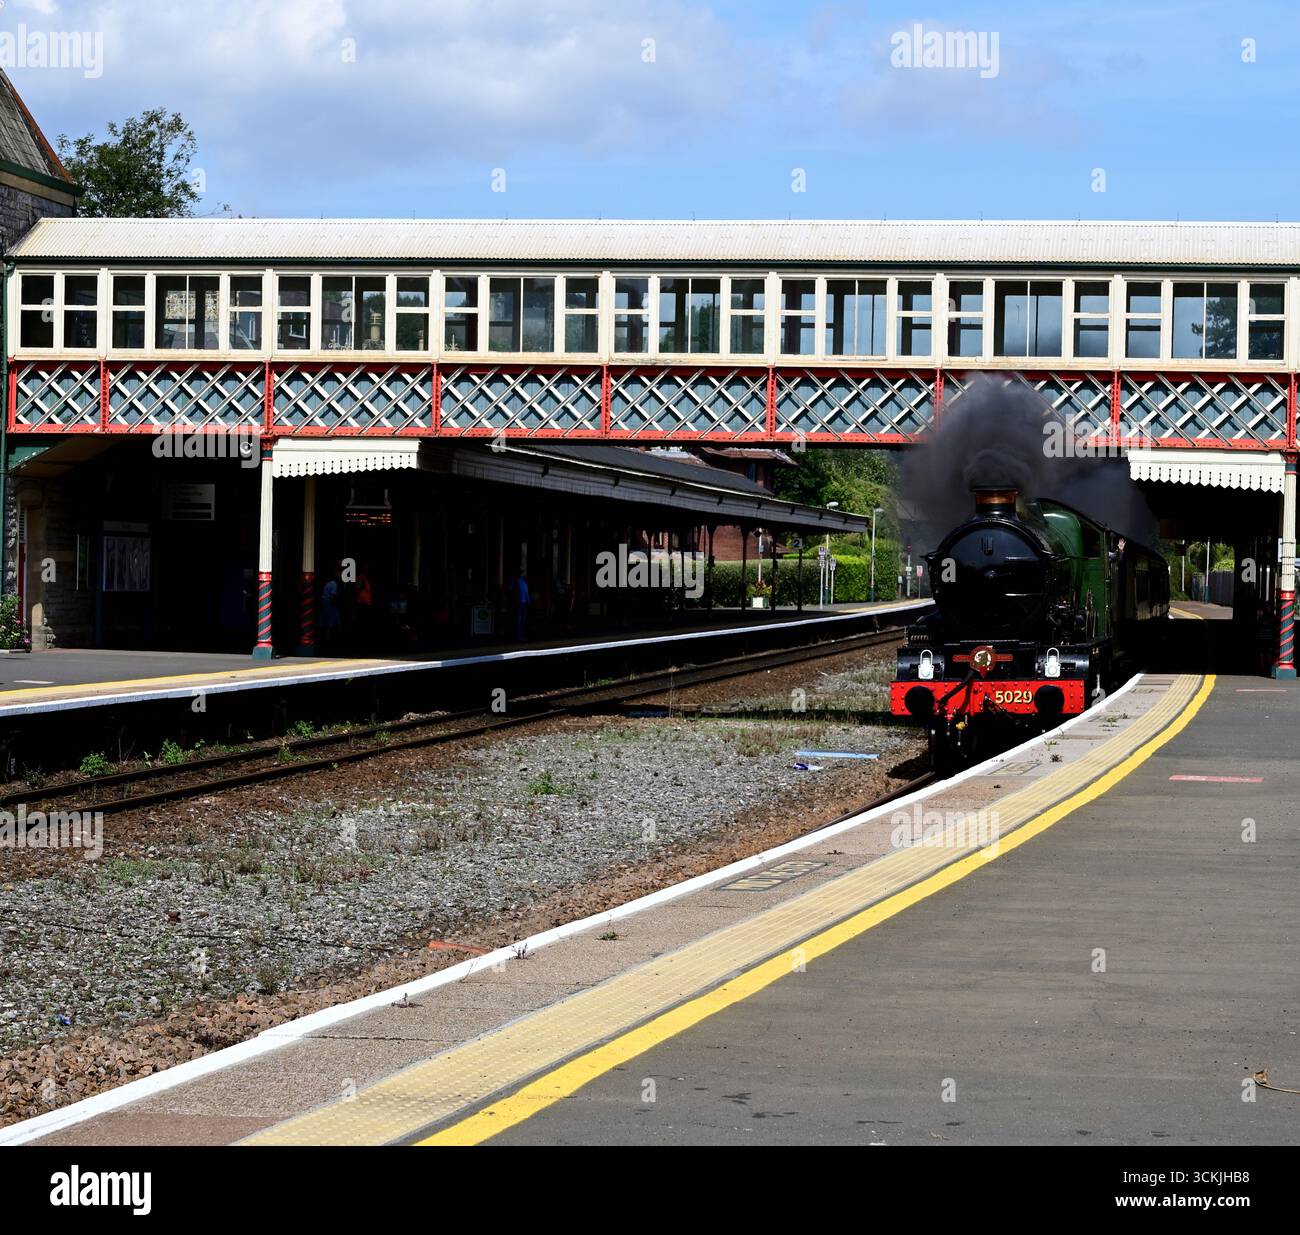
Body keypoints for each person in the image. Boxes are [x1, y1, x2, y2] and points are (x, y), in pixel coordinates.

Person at [319, 569, 343, 652]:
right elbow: (333, 596)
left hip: (326, 603)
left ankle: (327, 633)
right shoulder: (334, 585)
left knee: (328, 619)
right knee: (331, 619)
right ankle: (328, 634)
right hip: (329, 604)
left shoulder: (329, 583)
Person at [514, 569, 531, 641]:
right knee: (521, 620)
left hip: (520, 602)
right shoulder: (523, 583)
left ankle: (520, 636)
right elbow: (526, 594)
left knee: (520, 620)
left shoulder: (518, 582)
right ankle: (520, 636)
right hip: (521, 602)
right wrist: (529, 601)